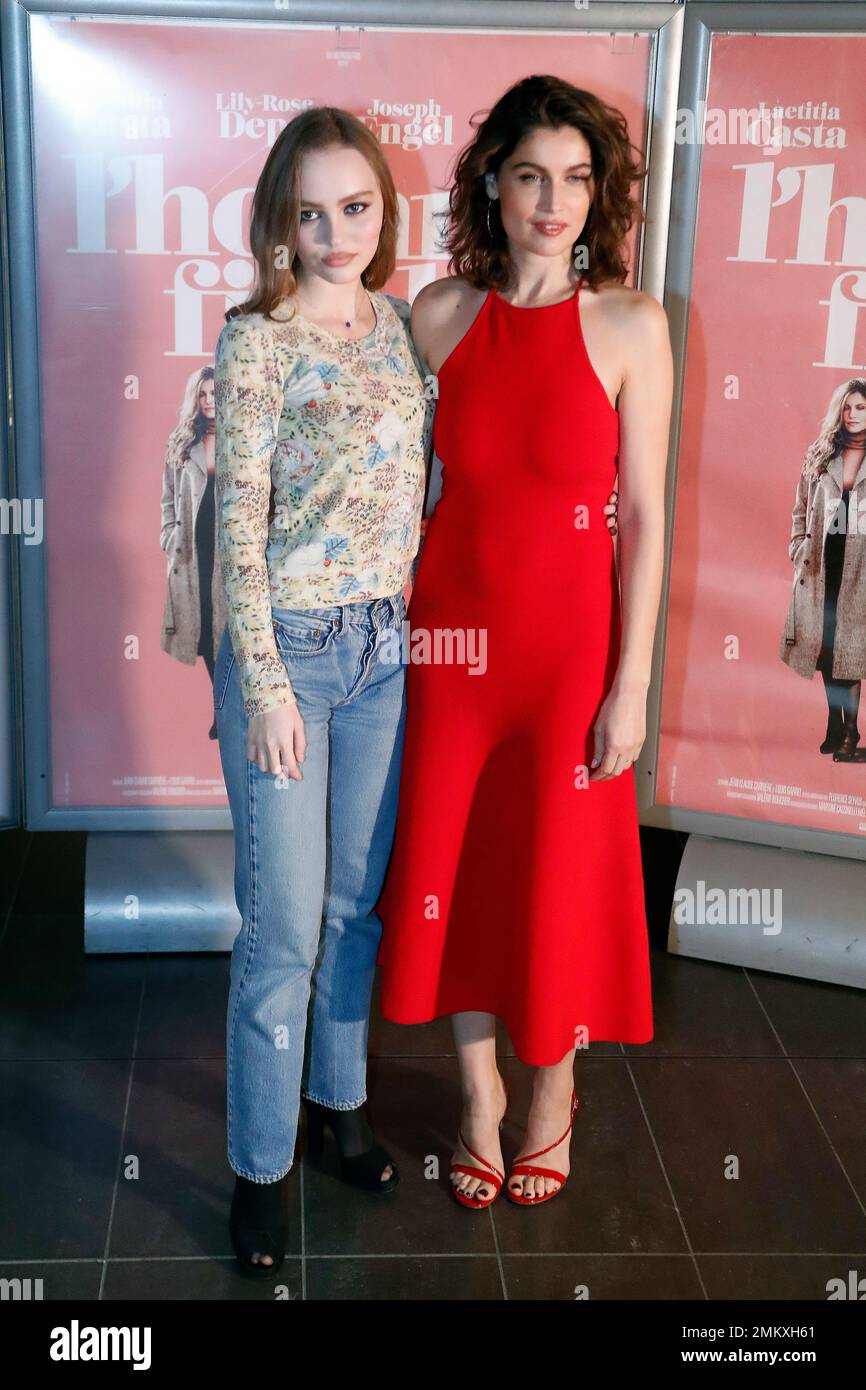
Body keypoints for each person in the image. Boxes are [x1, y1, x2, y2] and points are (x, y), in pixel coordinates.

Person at [375, 76, 672, 1209]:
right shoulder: (439, 315)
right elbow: (413, 490)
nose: (553, 201)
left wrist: (630, 679)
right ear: (492, 184)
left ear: (598, 195)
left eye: (576, 178)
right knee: (455, 869)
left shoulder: (632, 326)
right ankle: (478, 1096)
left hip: (567, 660)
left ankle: (550, 1091)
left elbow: (641, 515)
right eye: (530, 175)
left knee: (554, 877)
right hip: (447, 648)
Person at [212, 107, 434, 1274]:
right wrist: (261, 685)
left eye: (356, 207)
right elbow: (236, 529)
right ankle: (259, 1164)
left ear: (381, 211)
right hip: (290, 654)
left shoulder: (398, 326)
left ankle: (336, 1104)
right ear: (279, 221)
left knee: (356, 906)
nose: (336, 232)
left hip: (383, 653)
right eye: (311, 212)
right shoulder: (256, 342)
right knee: (284, 929)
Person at [780, 379, 866, 761]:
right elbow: (800, 506)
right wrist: (798, 547)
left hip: (860, 567)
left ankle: (851, 732)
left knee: (852, 651)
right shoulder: (820, 453)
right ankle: (834, 723)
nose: (853, 415)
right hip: (821, 561)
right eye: (847, 407)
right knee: (828, 648)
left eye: (861, 407)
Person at [159, 366, 228, 738]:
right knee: (201, 630)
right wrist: (169, 536)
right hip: (191, 549)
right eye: (203, 395)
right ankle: (222, 708)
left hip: (228, 548)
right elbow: (167, 498)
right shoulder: (182, 442)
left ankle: (225, 709)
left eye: (215, 394)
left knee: (226, 629)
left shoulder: (242, 436)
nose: (209, 401)